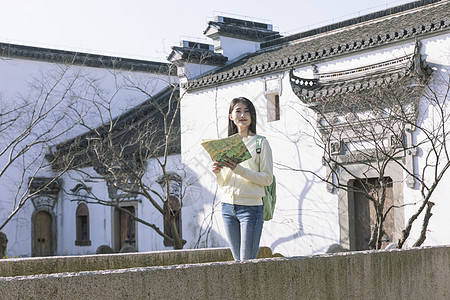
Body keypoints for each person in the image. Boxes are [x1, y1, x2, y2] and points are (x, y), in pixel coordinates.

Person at [211, 97, 273, 260]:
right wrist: (218, 172)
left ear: (252, 116)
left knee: (247, 263)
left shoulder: (260, 143)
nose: (243, 115)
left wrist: (238, 169)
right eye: (238, 111)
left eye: (247, 111)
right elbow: (225, 182)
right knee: (237, 262)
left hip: (251, 208)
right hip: (227, 208)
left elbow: (267, 179)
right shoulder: (226, 145)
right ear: (231, 116)